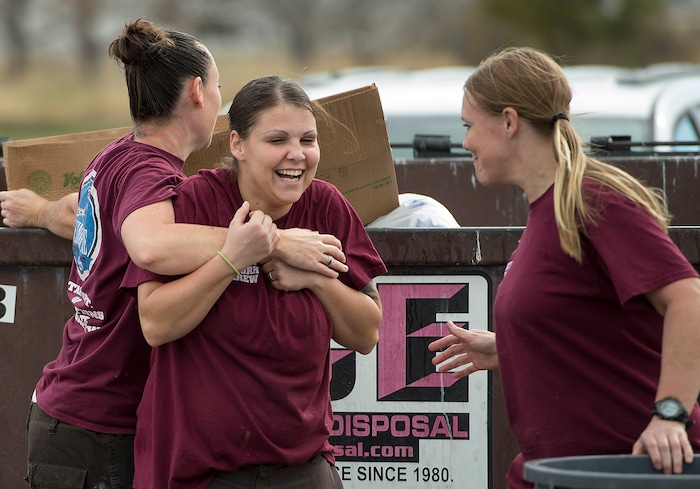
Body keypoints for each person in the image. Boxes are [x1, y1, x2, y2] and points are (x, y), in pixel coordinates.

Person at [23, 20, 347, 489]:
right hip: (103, 424)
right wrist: (274, 241)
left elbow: (82, 219)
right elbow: (150, 245)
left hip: (72, 409)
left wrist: (38, 211)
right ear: (198, 92)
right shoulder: (150, 170)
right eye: (219, 88)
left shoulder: (117, 155)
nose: (220, 100)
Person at [428, 47, 700, 489]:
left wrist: (670, 414)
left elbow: (688, 299)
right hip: (555, 473)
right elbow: (593, 320)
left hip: (624, 473)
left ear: (510, 121)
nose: (465, 143)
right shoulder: (546, 210)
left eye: (468, 125)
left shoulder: (593, 201)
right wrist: (514, 345)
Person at [120, 75, 386, 489]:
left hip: (303, 469)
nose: (296, 155)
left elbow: (367, 332)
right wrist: (234, 257)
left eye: (308, 140)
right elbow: (155, 324)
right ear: (238, 145)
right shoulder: (194, 201)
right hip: (200, 473)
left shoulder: (328, 205)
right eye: (277, 140)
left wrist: (314, 279)